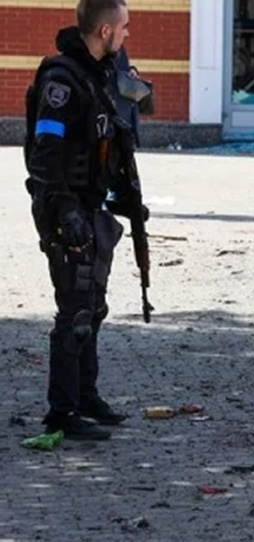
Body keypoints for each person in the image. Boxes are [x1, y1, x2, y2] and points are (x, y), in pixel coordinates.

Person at [24, 0, 145, 440]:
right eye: (125, 28)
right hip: (64, 211)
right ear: (105, 31)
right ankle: (62, 411)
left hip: (91, 208)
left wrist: (126, 199)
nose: (128, 35)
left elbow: (107, 144)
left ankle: (86, 396)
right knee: (74, 310)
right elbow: (45, 155)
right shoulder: (62, 82)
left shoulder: (97, 76)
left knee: (92, 307)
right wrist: (65, 209)